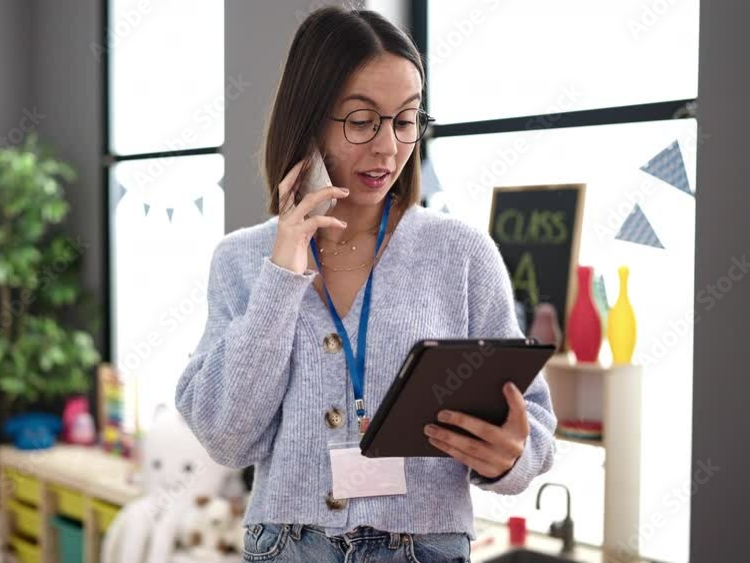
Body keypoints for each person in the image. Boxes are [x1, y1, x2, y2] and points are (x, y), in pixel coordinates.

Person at [176, 7, 556, 562]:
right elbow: (228, 437)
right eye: (361, 120)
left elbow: (534, 427)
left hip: (426, 547)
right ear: (308, 119)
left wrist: (509, 456)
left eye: (405, 120)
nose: (388, 148)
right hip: (288, 547)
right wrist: (283, 274)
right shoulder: (242, 261)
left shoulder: (462, 254)